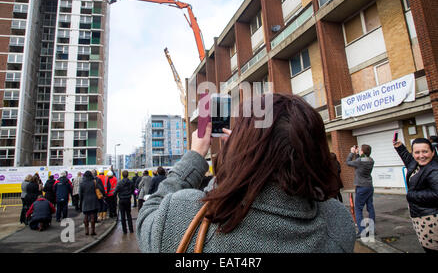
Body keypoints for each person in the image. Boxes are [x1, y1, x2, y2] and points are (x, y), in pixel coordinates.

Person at [136, 93, 356, 252]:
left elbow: (148, 216)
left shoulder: (183, 213)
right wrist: (254, 153)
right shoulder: (338, 226)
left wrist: (197, 155)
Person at [394, 138, 438, 253]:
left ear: (432, 152)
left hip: (431, 220)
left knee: (431, 249)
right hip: (420, 216)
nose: (421, 156)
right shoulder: (417, 164)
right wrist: (399, 147)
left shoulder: (434, 170)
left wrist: (412, 195)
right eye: (417, 152)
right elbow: (409, 161)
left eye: (425, 151)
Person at [346, 144, 375, 238]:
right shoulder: (371, 160)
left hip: (361, 187)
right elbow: (360, 162)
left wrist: (352, 152)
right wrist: (358, 154)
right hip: (369, 186)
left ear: (363, 152)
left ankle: (362, 231)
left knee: (358, 209)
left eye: (361, 150)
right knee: (370, 207)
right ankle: (371, 230)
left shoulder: (360, 161)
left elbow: (348, 162)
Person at [79, 171, 103, 236]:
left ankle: (86, 230)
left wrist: (80, 202)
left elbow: (80, 195)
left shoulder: (82, 183)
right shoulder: (94, 182)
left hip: (85, 200)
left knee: (86, 215)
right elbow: (100, 189)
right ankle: (93, 231)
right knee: (93, 216)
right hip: (93, 200)